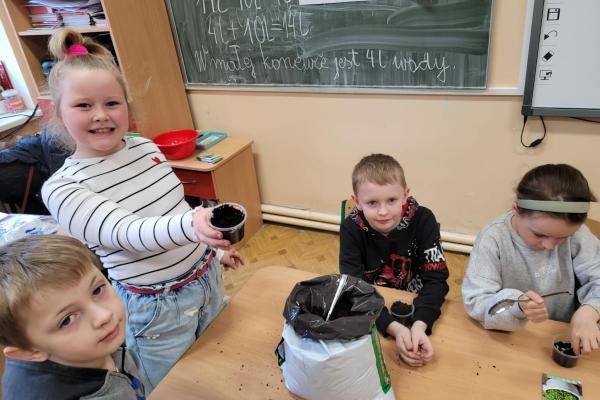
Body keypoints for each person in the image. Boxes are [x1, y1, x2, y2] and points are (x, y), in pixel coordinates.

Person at [40, 29, 243, 392]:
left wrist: (210, 251)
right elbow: (127, 232)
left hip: (206, 280)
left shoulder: (144, 147)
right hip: (156, 310)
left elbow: (170, 208)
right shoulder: (64, 189)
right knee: (172, 389)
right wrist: (194, 224)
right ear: (58, 114)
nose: (101, 115)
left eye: (112, 103)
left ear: (127, 106)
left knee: (216, 368)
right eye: (84, 106)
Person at [462, 164, 600, 355]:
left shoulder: (579, 235)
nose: (550, 246)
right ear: (516, 210)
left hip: (563, 333)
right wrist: (516, 305)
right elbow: (477, 301)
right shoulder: (493, 238)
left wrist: (590, 311)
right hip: (511, 339)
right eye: (539, 234)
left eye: (563, 238)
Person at [0, 235, 145, 399]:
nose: (104, 316)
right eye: (67, 320)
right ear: (31, 352)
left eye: (97, 290)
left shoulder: (93, 343)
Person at [339, 154, 449, 367]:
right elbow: (353, 286)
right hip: (373, 309)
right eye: (372, 203)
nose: (383, 212)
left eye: (391, 200)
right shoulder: (351, 228)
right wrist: (393, 328)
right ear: (357, 202)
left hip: (416, 302)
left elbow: (436, 280)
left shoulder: (424, 220)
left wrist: (420, 324)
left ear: (405, 195)